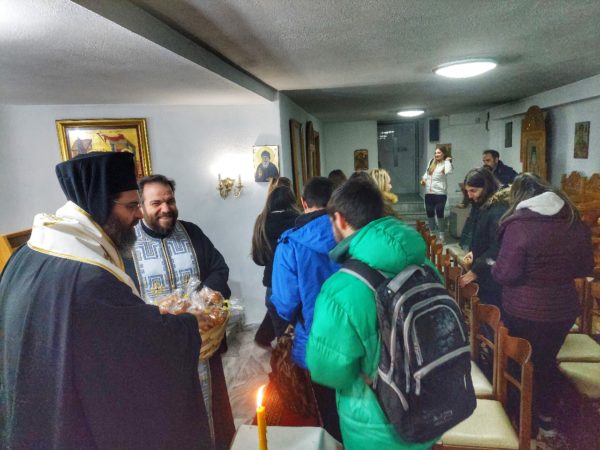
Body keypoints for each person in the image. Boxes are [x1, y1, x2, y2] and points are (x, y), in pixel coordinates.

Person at [0, 152, 212, 449]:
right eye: (131, 206)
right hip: (70, 424)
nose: (139, 215)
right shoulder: (88, 279)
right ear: (99, 205)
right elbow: (140, 349)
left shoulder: (27, 253)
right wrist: (188, 325)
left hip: (34, 405)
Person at [306, 177, 436, 450]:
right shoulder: (425, 266)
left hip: (377, 427)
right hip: (430, 408)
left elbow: (327, 370)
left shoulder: (339, 290)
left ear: (340, 220)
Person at [124, 174, 234, 450]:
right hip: (155, 351)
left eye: (170, 201)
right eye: (156, 203)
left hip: (200, 344)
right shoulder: (126, 244)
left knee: (208, 416)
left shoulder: (192, 233)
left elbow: (219, 269)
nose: (166, 208)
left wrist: (203, 299)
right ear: (140, 207)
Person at [491, 173, 594, 448]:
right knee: (546, 361)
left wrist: (494, 267)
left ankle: (523, 418)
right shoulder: (572, 220)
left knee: (523, 364)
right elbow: (584, 267)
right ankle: (547, 417)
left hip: (524, 309)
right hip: (563, 310)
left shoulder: (519, 225)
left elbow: (506, 274)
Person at [270, 176, 341, 441]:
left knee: (328, 409)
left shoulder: (290, 243)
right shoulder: (354, 235)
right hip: (358, 336)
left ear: (303, 202)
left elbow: (284, 302)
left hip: (316, 341)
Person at [251, 185, 301, 346]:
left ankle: (276, 353)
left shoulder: (262, 221)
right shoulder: (298, 221)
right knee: (300, 336)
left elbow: (258, 259)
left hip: (272, 286)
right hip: (295, 284)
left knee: (283, 339)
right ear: (292, 201)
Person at [459, 168, 509, 310]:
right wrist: (474, 252)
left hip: (494, 277)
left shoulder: (498, 209)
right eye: (467, 191)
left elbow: (498, 247)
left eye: (473, 191)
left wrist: (475, 271)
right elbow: (483, 237)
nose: (470, 196)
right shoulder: (485, 205)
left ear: (486, 187)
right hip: (486, 270)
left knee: (492, 312)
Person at [421, 146, 453, 242]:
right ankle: (432, 234)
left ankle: (442, 236)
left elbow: (448, 171)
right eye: (435, 153)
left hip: (440, 193)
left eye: (439, 153)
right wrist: (423, 179)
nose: (436, 155)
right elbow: (427, 173)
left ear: (443, 154)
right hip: (429, 192)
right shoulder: (431, 162)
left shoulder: (446, 163)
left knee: (439, 213)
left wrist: (447, 161)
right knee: (429, 213)